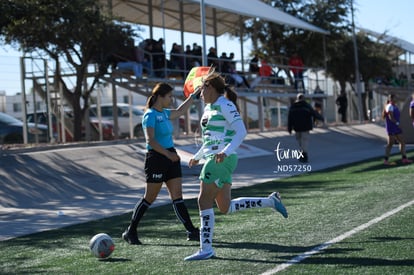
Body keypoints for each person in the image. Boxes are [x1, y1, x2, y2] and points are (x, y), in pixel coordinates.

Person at [184, 70, 288, 261]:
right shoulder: (209, 108)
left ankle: (205, 249)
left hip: (221, 159)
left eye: (202, 88)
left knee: (203, 201)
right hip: (214, 157)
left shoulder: (225, 104)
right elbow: (209, 139)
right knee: (225, 207)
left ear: (211, 88)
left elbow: (241, 131)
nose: (199, 92)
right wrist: (197, 156)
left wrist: (226, 151)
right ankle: (271, 201)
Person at [122, 82, 200, 245]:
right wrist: (168, 155)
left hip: (170, 156)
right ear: (160, 96)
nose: (171, 99)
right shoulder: (149, 115)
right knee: (149, 198)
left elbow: (180, 111)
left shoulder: (164, 113)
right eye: (170, 96)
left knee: (177, 196)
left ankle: (191, 231)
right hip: (157, 159)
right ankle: (131, 231)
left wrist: (193, 97)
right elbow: (151, 140)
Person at [287, 93, 324, 163]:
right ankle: (304, 155)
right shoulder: (307, 106)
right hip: (305, 127)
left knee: (300, 142)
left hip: (297, 127)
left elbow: (290, 118)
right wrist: (321, 118)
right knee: (304, 141)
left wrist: (289, 128)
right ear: (303, 98)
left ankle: (302, 154)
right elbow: (314, 113)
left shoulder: (293, 107)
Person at [382, 94, 412, 165]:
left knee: (402, 142)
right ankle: (386, 160)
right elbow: (391, 117)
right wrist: (398, 124)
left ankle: (404, 158)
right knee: (390, 144)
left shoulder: (395, 106)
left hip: (396, 127)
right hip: (391, 128)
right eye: (395, 98)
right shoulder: (389, 106)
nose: (396, 99)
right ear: (391, 99)